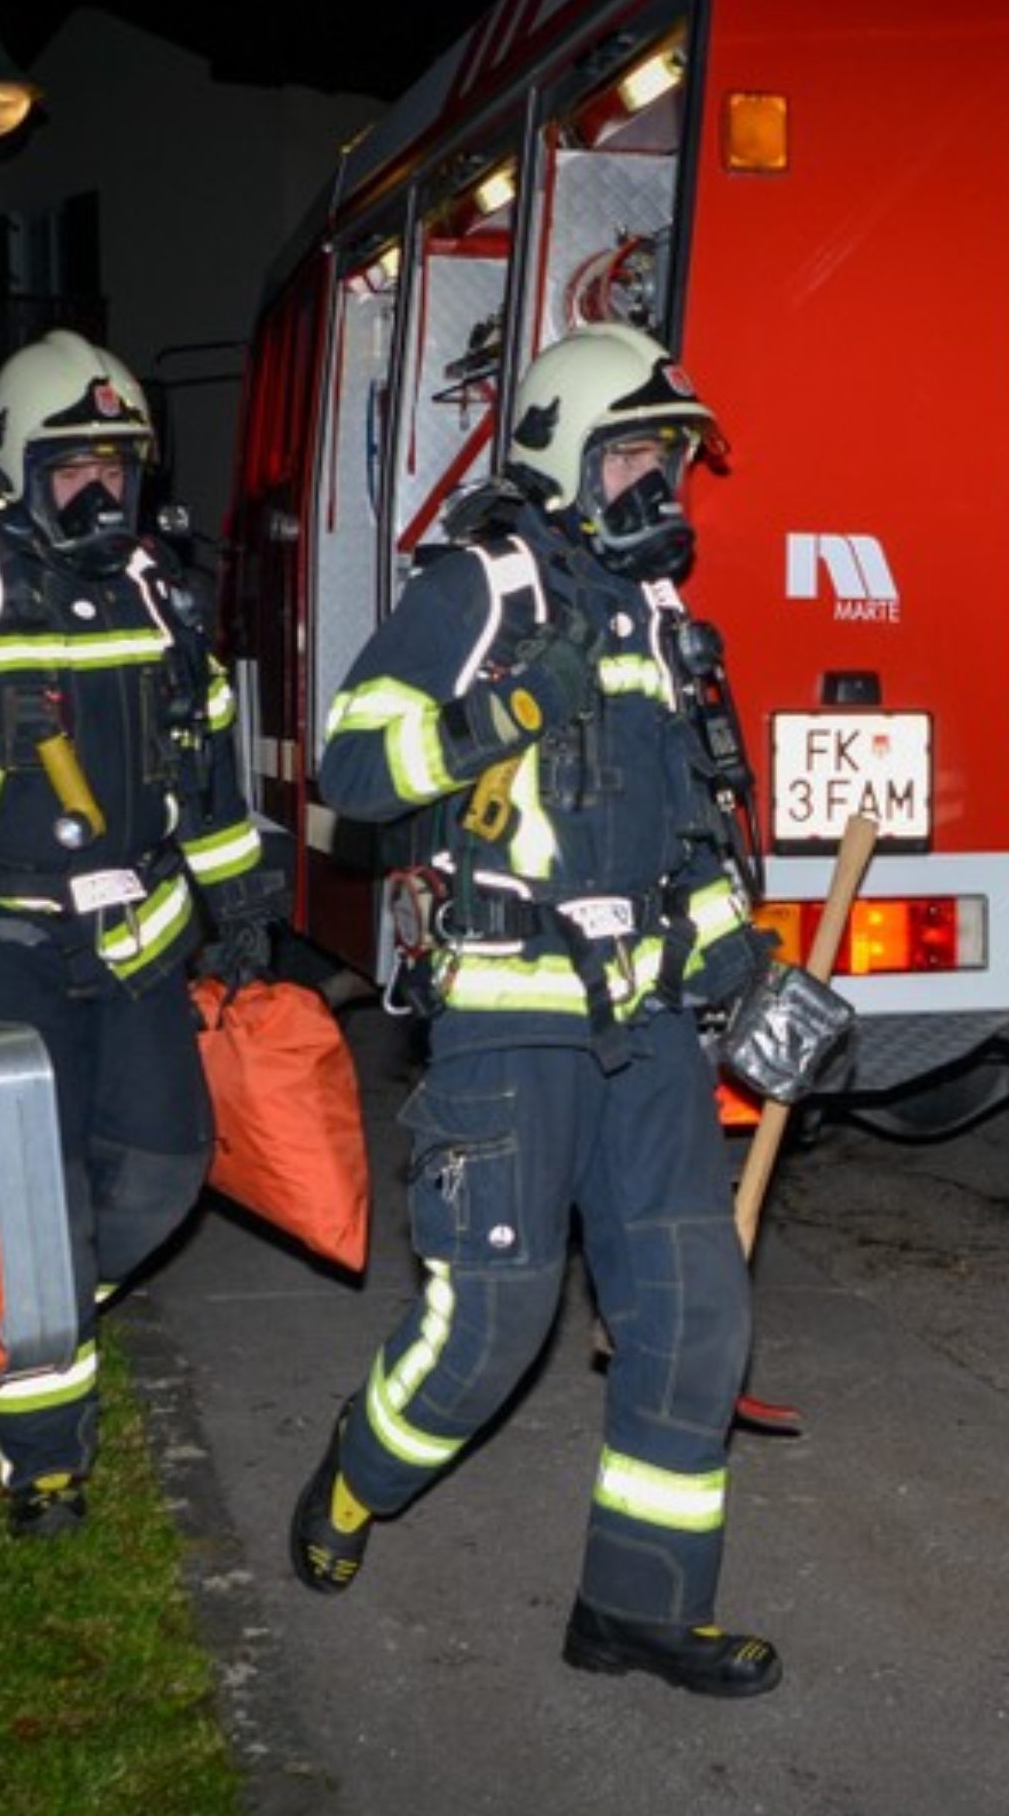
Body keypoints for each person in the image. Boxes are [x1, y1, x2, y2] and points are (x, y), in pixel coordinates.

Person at [285, 321, 810, 1697]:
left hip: (646, 1037)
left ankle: (637, 1605)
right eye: (636, 452)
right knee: (487, 1335)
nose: (663, 487)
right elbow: (353, 764)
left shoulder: (664, 625)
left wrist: (743, 972)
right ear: (564, 454)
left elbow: (691, 849)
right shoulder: (481, 585)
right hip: (507, 1023)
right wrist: (506, 706)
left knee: (698, 1321)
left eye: (674, 460)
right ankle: (354, 1476)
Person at [0, 328, 282, 1538]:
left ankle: (19, 1310)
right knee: (41, 1199)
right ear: (20, 467)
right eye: (72, 468)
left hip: (136, 937)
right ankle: (45, 1461)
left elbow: (210, 773)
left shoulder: (164, 597)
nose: (100, 491)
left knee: (169, 1168)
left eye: (118, 469)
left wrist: (239, 905)